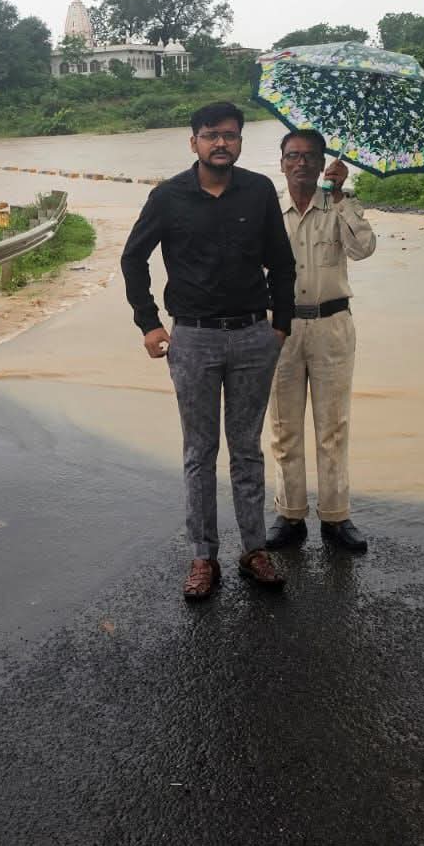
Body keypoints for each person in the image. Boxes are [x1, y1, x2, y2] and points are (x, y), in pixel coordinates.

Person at [121, 101, 296, 601]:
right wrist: (149, 323)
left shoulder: (259, 192)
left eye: (230, 135)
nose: (221, 142)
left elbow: (283, 264)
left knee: (247, 449)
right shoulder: (168, 196)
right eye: (211, 134)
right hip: (193, 338)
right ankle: (203, 556)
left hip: (252, 336)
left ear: (240, 141)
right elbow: (133, 258)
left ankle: (254, 550)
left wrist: (280, 326)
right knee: (199, 451)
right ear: (194, 141)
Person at [264, 130, 377, 554]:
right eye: (293, 156)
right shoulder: (268, 210)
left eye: (310, 156)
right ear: (281, 163)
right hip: (281, 327)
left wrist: (342, 196)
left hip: (332, 325)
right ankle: (290, 514)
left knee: (333, 426)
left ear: (322, 163)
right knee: (283, 427)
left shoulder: (340, 205)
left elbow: (364, 249)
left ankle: (335, 516)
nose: (301, 163)